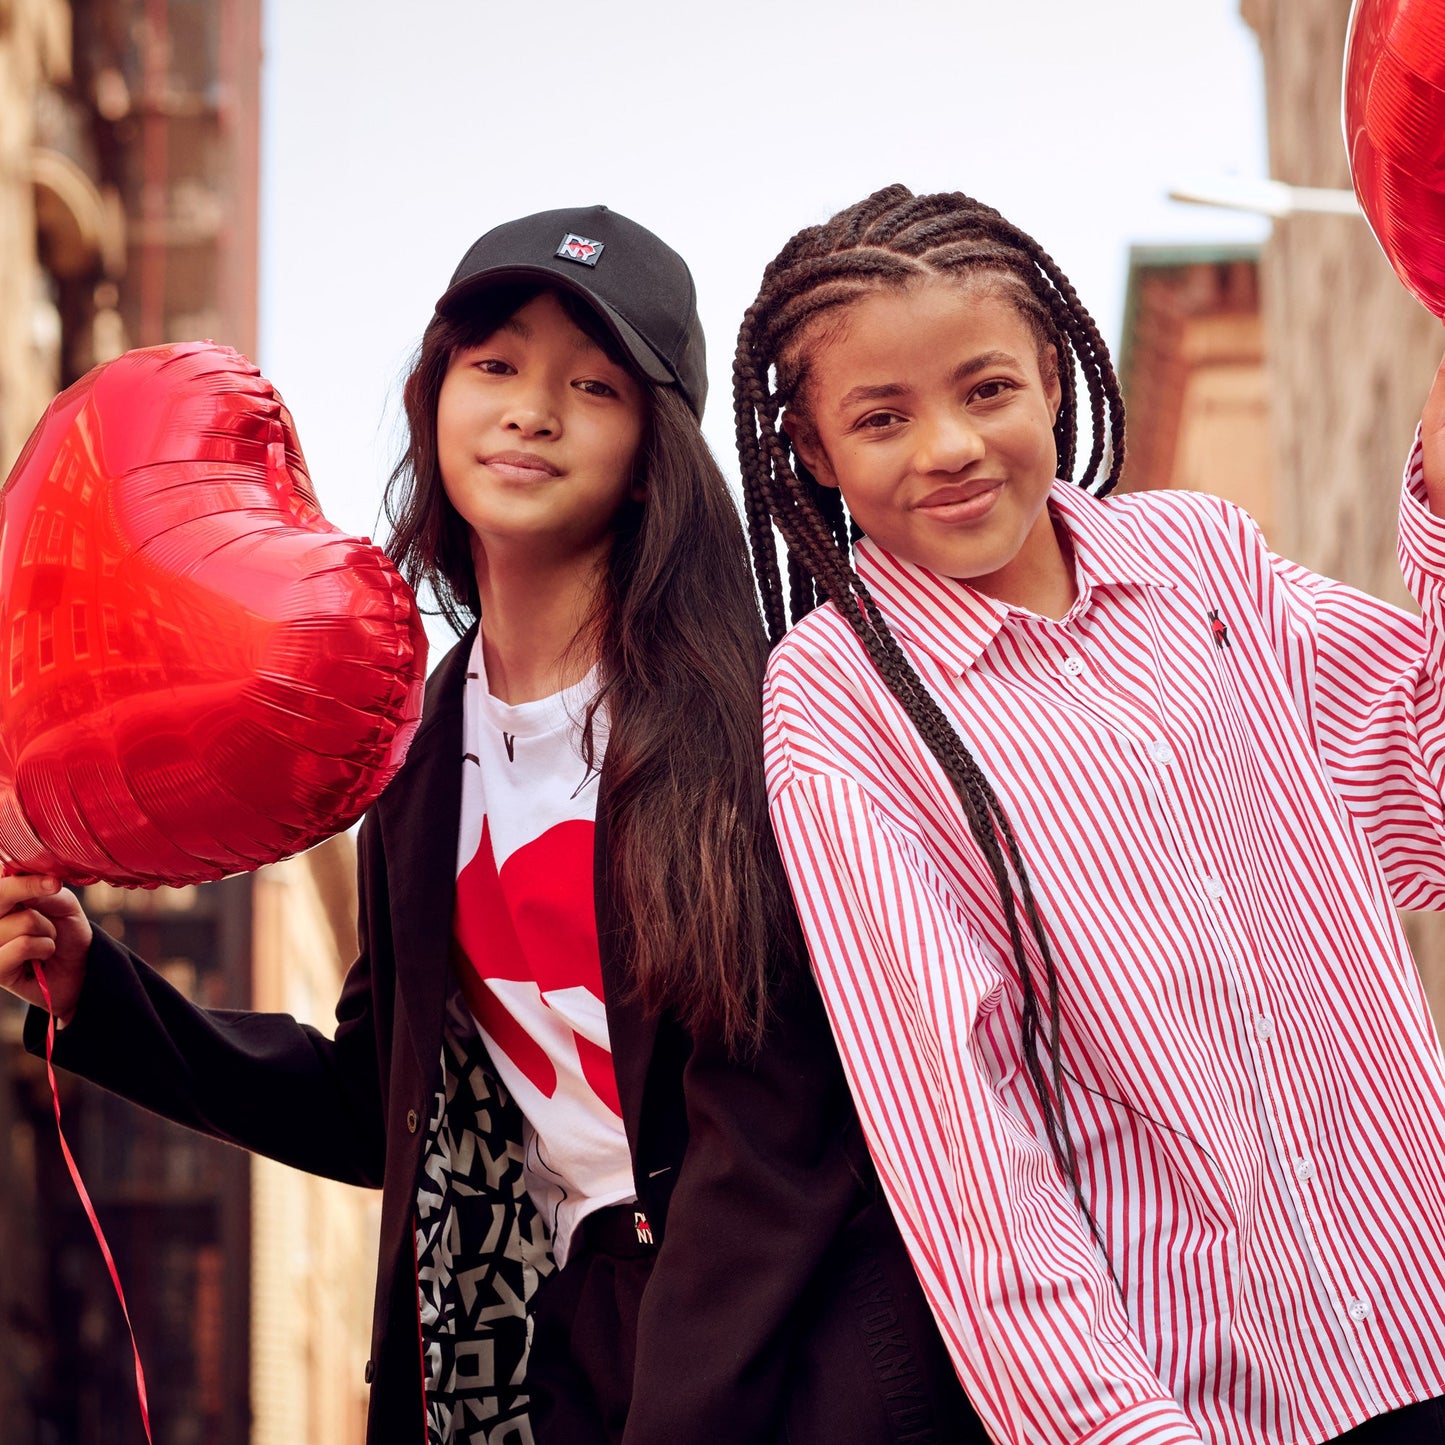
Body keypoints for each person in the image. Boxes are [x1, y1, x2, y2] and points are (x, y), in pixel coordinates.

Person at [0, 205, 982, 1445]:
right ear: (437, 395)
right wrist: (96, 990)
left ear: (650, 446)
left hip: (802, 1355)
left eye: (593, 384)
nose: (533, 410)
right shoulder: (413, 759)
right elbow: (379, 1106)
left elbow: (777, 1133)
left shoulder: (760, 716)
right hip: (567, 1350)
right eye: (496, 365)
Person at [733, 182, 1445, 1445]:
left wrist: (1439, 511)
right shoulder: (835, 702)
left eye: (986, 388)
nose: (947, 444)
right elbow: (958, 1131)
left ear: (1053, 380)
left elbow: (1425, 803)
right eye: (880, 416)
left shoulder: (1201, 562)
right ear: (810, 452)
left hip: (1421, 1310)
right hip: (1202, 1404)